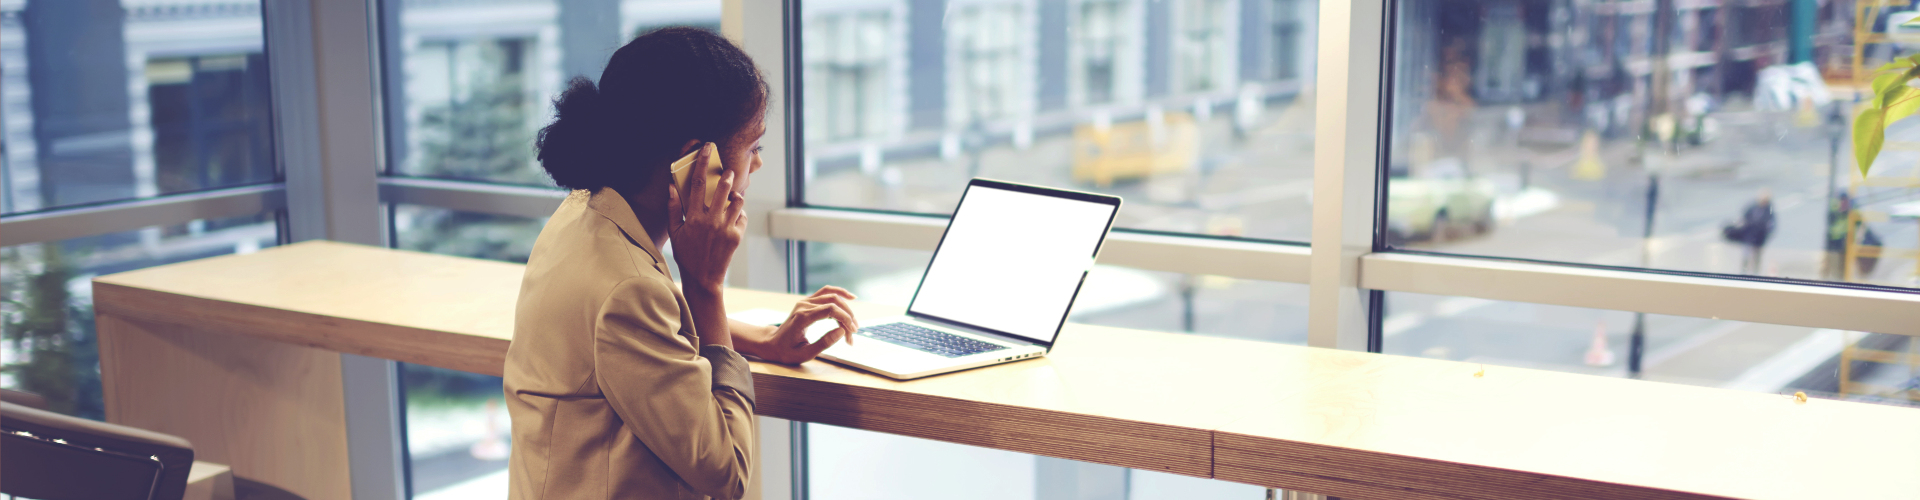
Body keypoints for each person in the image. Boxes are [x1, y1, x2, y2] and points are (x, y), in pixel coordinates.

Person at [503, 28, 861, 500]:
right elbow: (728, 472)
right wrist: (705, 285)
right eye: (752, 146)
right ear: (695, 160)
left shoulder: (581, 213)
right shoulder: (629, 288)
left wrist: (760, 341)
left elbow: (637, 336)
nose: (756, 166)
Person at [1734, 188, 1776, 275]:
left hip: (1760, 237)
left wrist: (1767, 232)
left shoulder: (1769, 210)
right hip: (1749, 234)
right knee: (1746, 254)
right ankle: (1744, 272)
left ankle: (1755, 273)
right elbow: (1744, 217)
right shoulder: (1753, 207)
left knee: (1757, 255)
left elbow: (1772, 223)